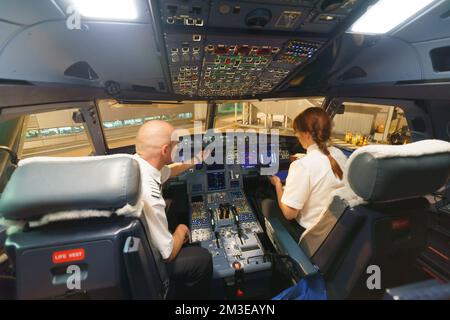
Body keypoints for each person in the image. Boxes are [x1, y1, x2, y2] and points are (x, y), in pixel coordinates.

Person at [133, 120, 212, 299]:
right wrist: (181, 229)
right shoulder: (149, 194)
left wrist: (196, 160)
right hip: (147, 265)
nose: (179, 147)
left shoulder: (138, 164)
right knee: (202, 259)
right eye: (176, 144)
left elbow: (169, 171)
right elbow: (167, 254)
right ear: (165, 150)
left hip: (137, 240)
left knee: (172, 205)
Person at [268, 107, 347, 241]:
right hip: (335, 229)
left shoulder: (302, 166)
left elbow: (289, 214)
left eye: (297, 131)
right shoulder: (340, 155)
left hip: (309, 234)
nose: (296, 136)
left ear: (307, 134)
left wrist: (277, 185)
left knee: (266, 204)